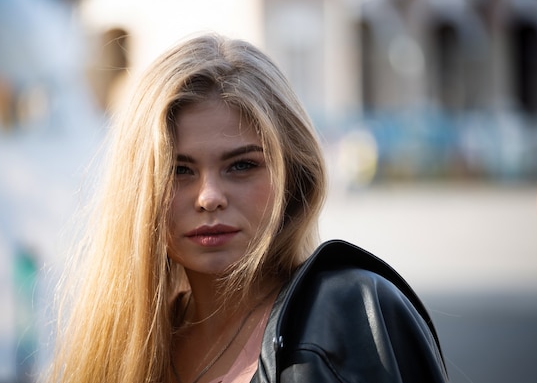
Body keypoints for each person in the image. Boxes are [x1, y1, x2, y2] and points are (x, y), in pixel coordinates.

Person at [44, 33, 448, 383]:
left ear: (294, 177)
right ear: (137, 191)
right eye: (178, 170)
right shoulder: (127, 345)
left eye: (242, 165)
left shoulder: (347, 314)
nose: (209, 197)